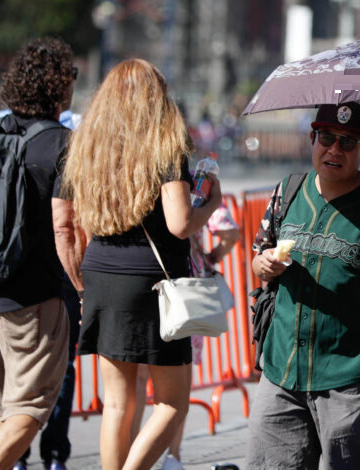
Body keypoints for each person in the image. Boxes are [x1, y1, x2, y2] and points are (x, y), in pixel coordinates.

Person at [61, 58, 221, 470]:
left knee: (117, 404)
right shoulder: (165, 145)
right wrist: (211, 204)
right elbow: (181, 223)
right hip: (151, 282)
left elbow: (70, 219)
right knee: (173, 402)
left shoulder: (87, 145)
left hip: (100, 274)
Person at [245, 102, 360, 469]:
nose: (334, 149)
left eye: (348, 143)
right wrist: (266, 264)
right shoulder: (287, 191)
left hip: (345, 377)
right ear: (312, 139)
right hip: (281, 371)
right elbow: (257, 261)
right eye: (326, 138)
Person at [0, 38, 80, 470]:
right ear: (59, 88)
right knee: (32, 406)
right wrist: (81, 285)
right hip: (35, 294)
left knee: (0, 405)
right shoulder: (63, 143)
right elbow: (64, 226)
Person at [129, 203, 240, 470]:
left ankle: (129, 455)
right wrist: (210, 257)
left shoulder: (133, 177)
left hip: (136, 284)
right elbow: (228, 231)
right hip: (184, 294)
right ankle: (173, 457)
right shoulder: (194, 183)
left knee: (136, 384)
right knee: (177, 387)